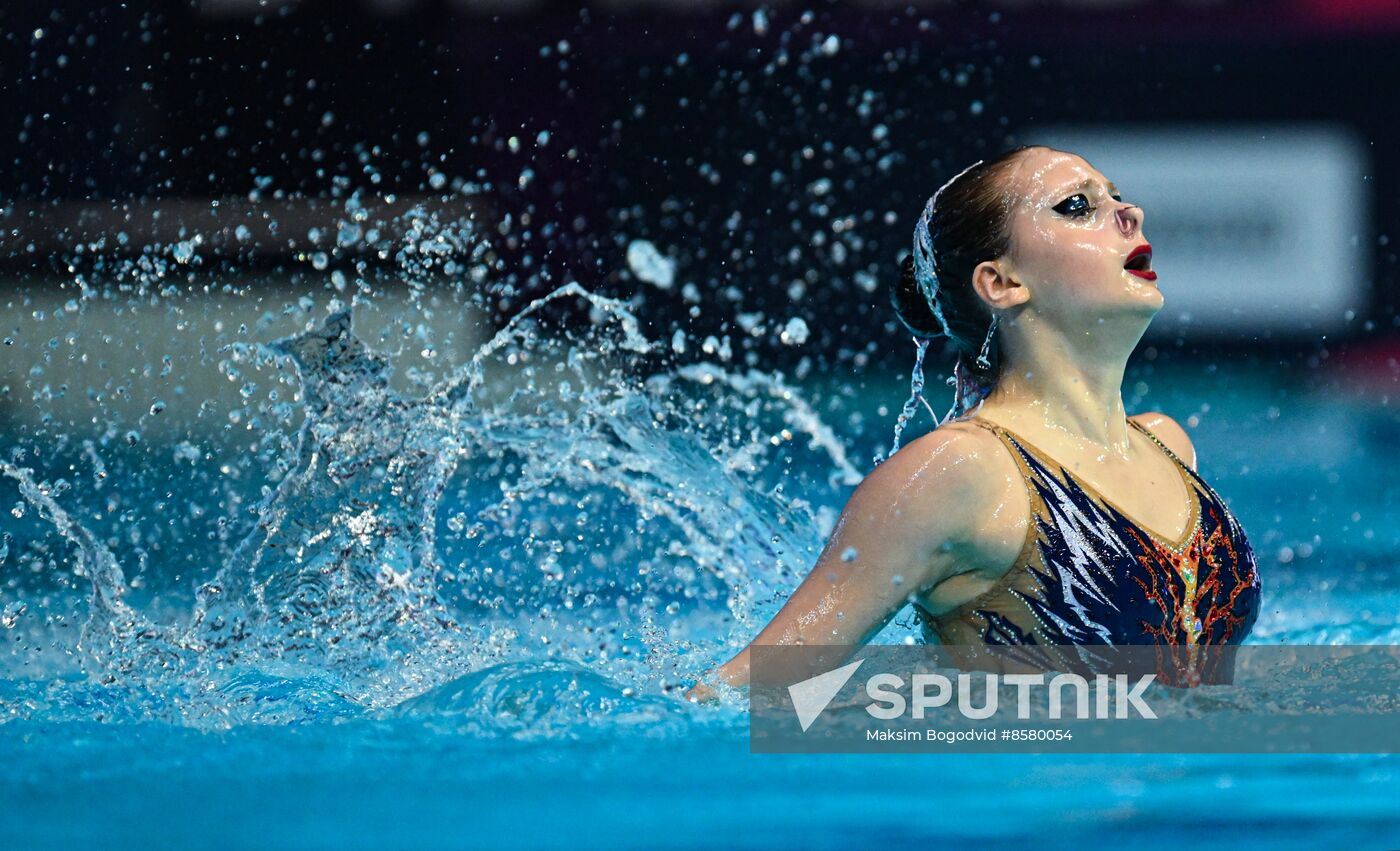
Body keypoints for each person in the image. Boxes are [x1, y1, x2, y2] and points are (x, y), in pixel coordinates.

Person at [684, 145, 1262, 703]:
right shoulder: (958, 472)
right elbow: (743, 692)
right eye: (1077, 206)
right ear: (1002, 284)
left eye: (1116, 196)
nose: (1130, 213)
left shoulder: (1166, 445)